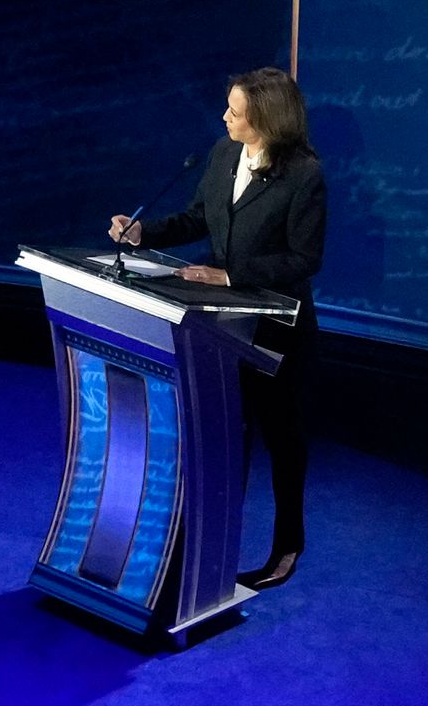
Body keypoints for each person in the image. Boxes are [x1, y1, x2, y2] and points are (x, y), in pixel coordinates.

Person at [110, 67, 325, 588]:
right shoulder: (225, 152)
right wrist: (143, 233)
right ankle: (209, 543)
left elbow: (304, 259)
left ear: (267, 120)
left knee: (282, 439)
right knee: (227, 434)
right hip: (219, 327)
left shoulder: (304, 175)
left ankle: (286, 547)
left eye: (235, 111)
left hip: (277, 330)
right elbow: (197, 218)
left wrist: (229, 275)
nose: (225, 117)